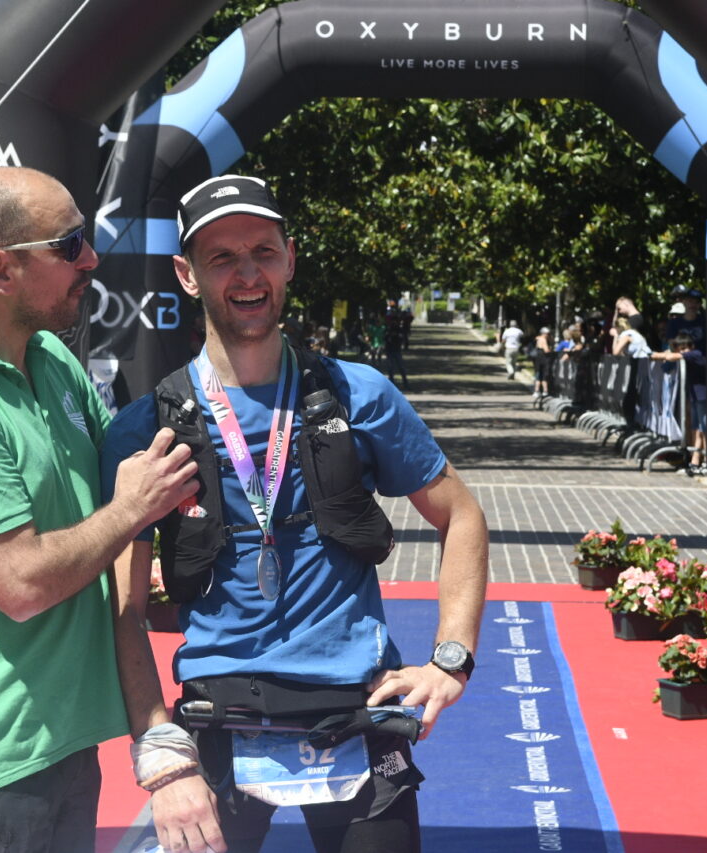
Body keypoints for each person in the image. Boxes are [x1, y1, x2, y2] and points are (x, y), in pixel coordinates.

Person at [101, 175, 489, 853]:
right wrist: (160, 753)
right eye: (222, 258)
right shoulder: (146, 428)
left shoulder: (356, 394)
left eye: (263, 251)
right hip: (219, 719)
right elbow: (125, 607)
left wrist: (449, 659)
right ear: (187, 275)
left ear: (291, 259)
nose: (247, 274)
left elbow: (460, 515)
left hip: (356, 710)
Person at [0, 166, 199, 853]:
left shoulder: (49, 357)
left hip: (58, 746)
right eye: (70, 244)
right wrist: (130, 508)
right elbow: (20, 583)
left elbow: (113, 523)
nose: (92, 259)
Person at [651, 333, 707, 476]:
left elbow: (674, 357)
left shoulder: (695, 354)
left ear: (691, 347)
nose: (683, 352)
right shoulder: (685, 356)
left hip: (702, 396)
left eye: (685, 348)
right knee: (696, 428)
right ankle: (695, 460)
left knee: (704, 429)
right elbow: (666, 367)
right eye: (680, 349)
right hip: (694, 396)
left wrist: (655, 354)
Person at [665, 286, 706, 353]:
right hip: (679, 360)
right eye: (690, 301)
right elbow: (672, 346)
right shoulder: (673, 323)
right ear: (684, 302)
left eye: (696, 302)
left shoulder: (705, 323)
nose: (693, 305)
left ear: (700, 304)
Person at [382, 302, 408, 388]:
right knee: (390, 368)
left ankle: (405, 382)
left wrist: (396, 336)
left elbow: (402, 338)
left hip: (397, 349)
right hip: (389, 350)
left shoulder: (398, 329)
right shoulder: (387, 329)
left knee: (401, 367)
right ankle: (391, 383)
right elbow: (385, 338)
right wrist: (389, 336)